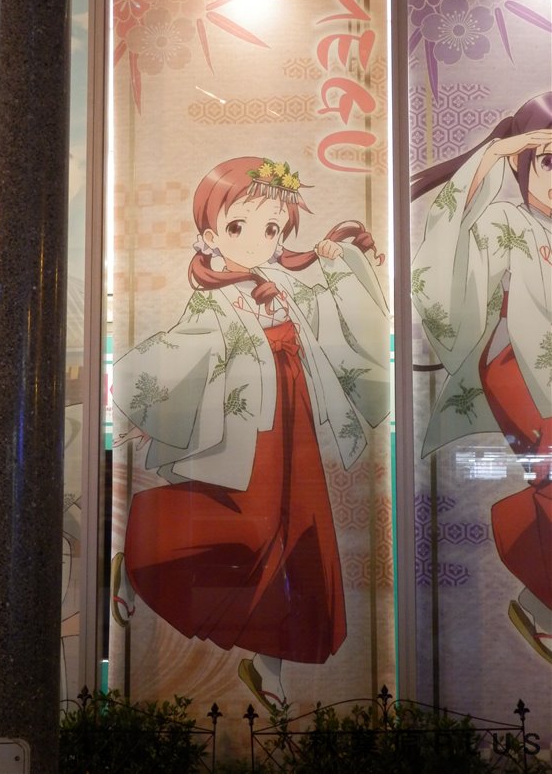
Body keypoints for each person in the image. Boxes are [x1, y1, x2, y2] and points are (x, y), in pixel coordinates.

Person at [112, 156, 390, 707]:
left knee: (299, 539)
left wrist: (336, 261)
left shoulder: (287, 282)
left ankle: (269, 669)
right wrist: (150, 410)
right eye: (239, 226)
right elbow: (181, 351)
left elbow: (339, 315)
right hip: (248, 432)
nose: (259, 239)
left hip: (294, 421)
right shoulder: (213, 297)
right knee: (252, 530)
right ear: (211, 234)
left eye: (272, 228)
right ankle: (139, 552)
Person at [411, 92, 552, 663]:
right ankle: (537, 597)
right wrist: (493, 155)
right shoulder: (504, 219)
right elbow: (451, 236)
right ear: (523, 161)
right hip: (517, 366)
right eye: (549, 161)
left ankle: (537, 602)